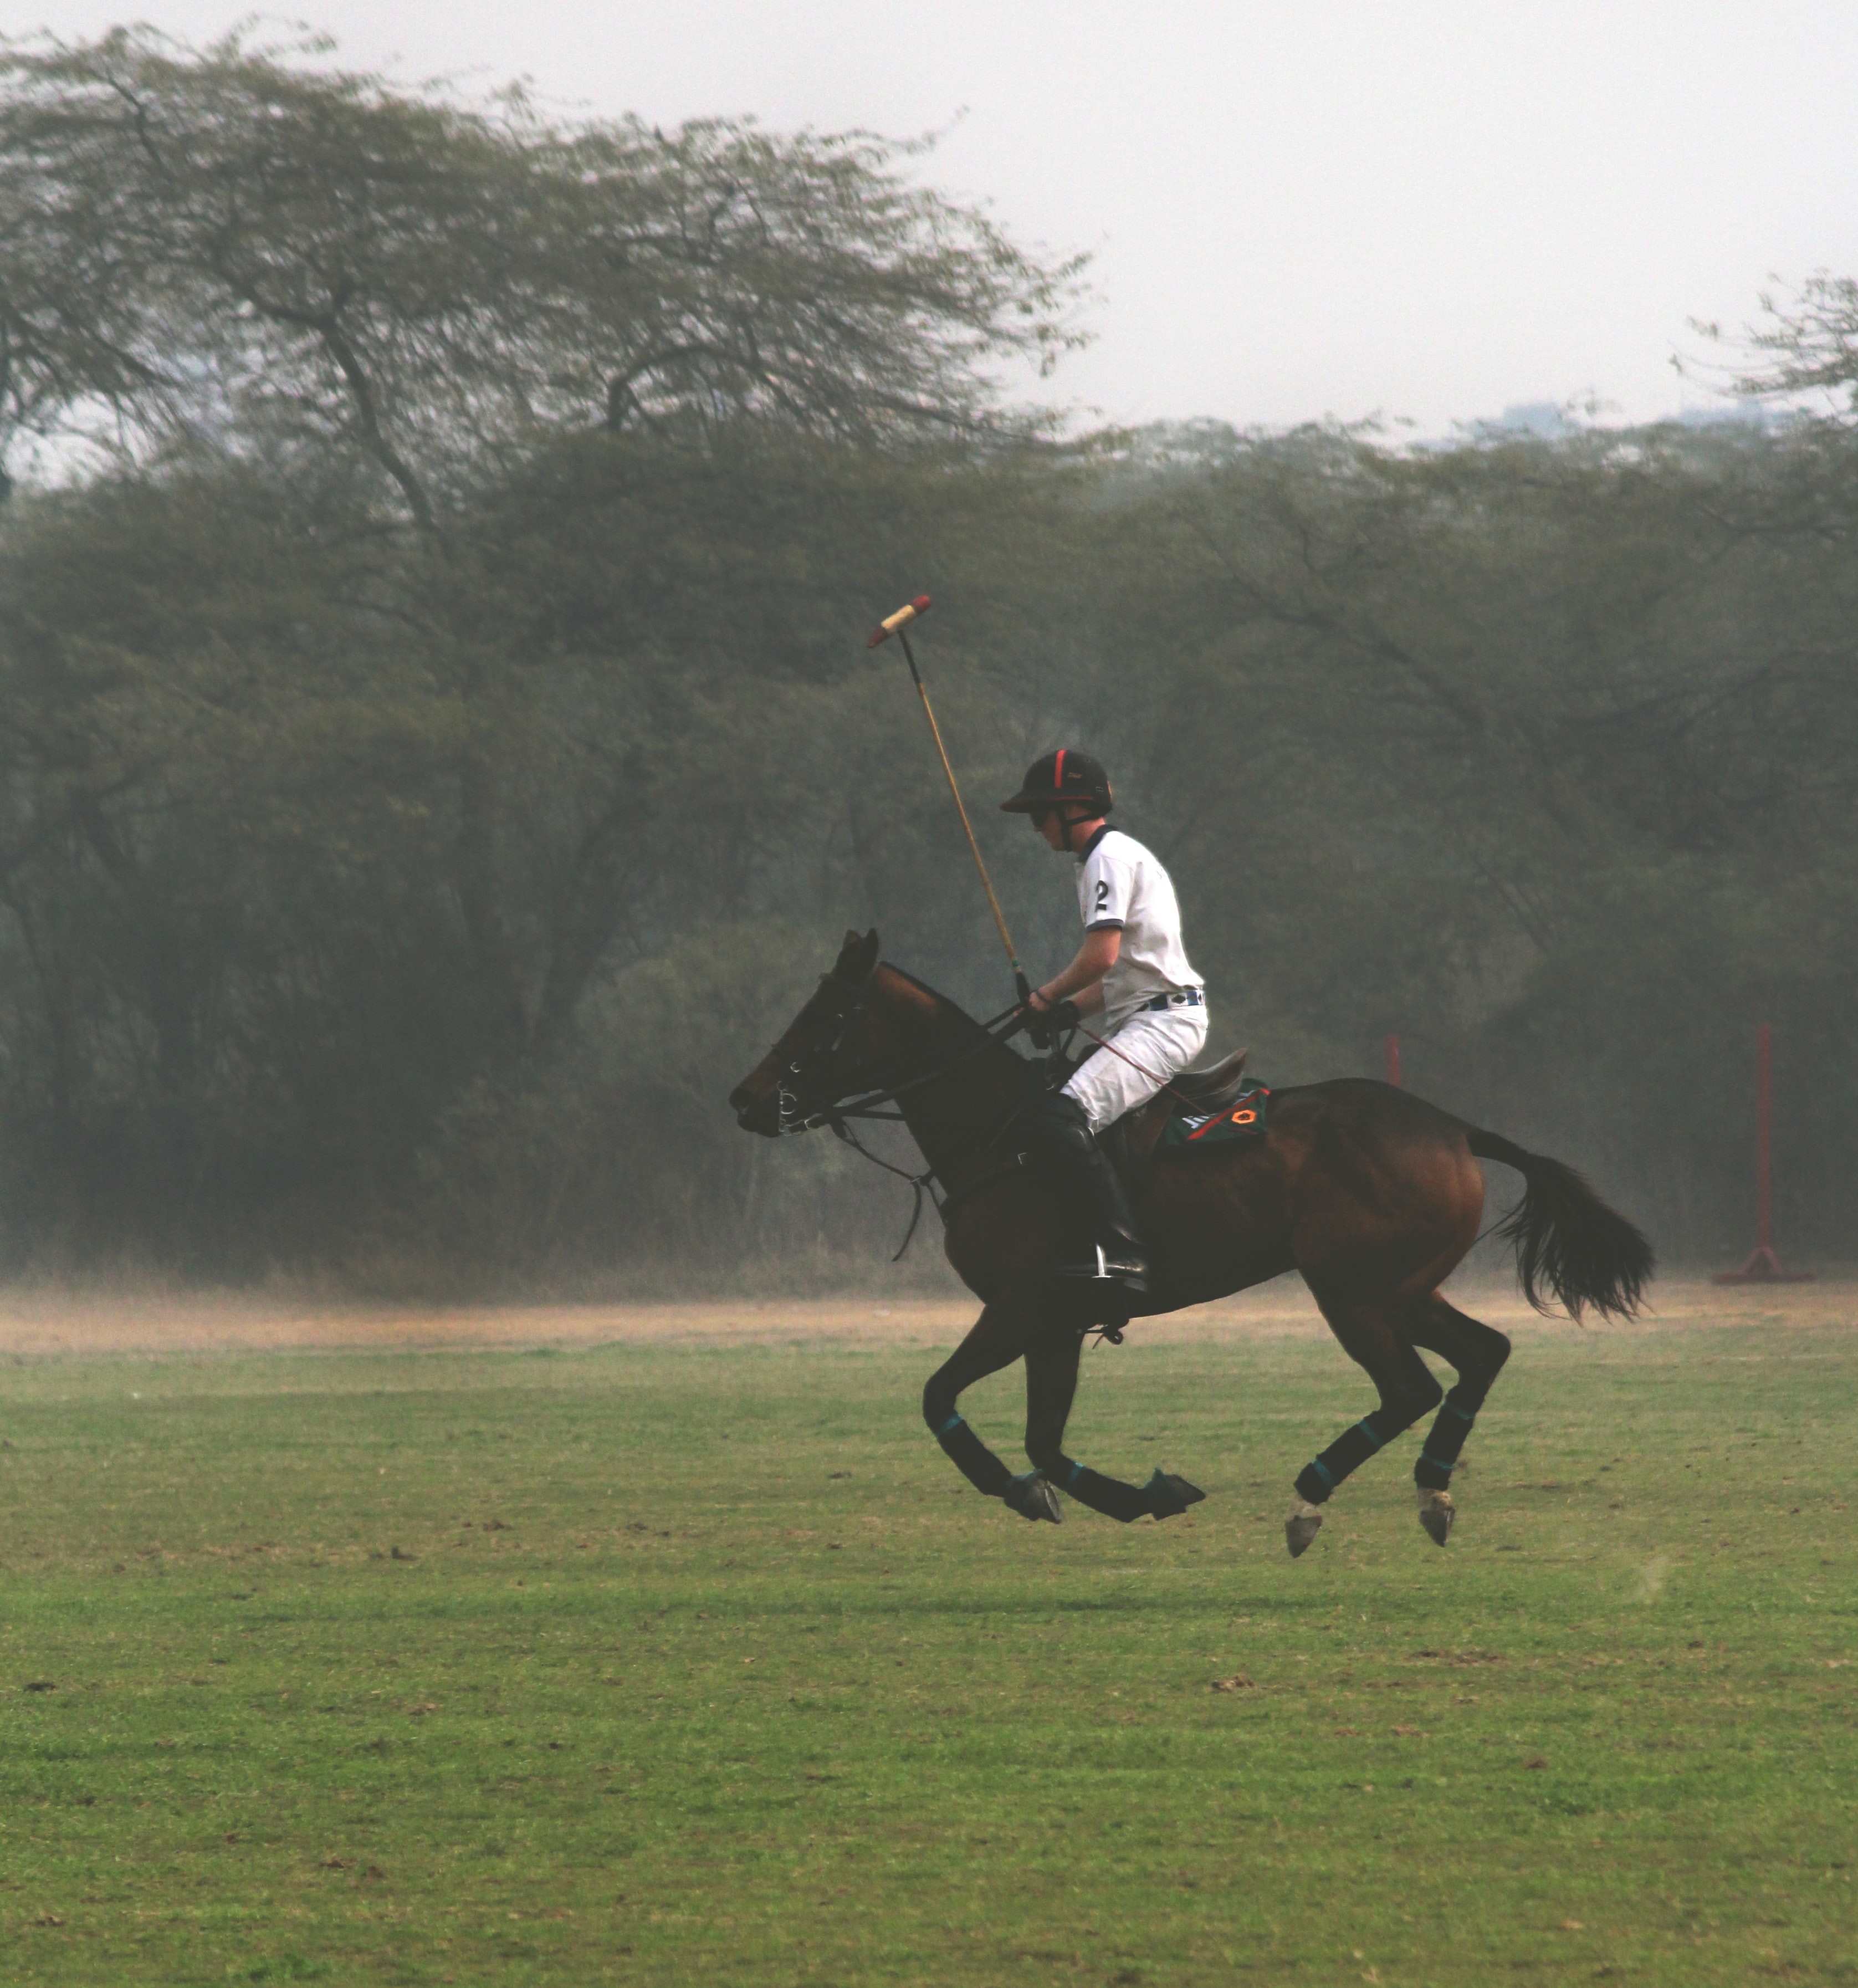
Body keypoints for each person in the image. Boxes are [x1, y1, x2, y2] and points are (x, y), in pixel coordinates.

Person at [1000, 748, 1208, 1300]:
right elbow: (1118, 977)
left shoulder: (1106, 859)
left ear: (1071, 807)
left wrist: (1046, 995)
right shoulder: (1105, 858)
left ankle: (1122, 1255)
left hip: (1163, 1022)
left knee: (1062, 1116)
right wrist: (1063, 1011)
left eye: (1040, 811)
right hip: (1145, 1013)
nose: (1035, 824)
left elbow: (1101, 957)